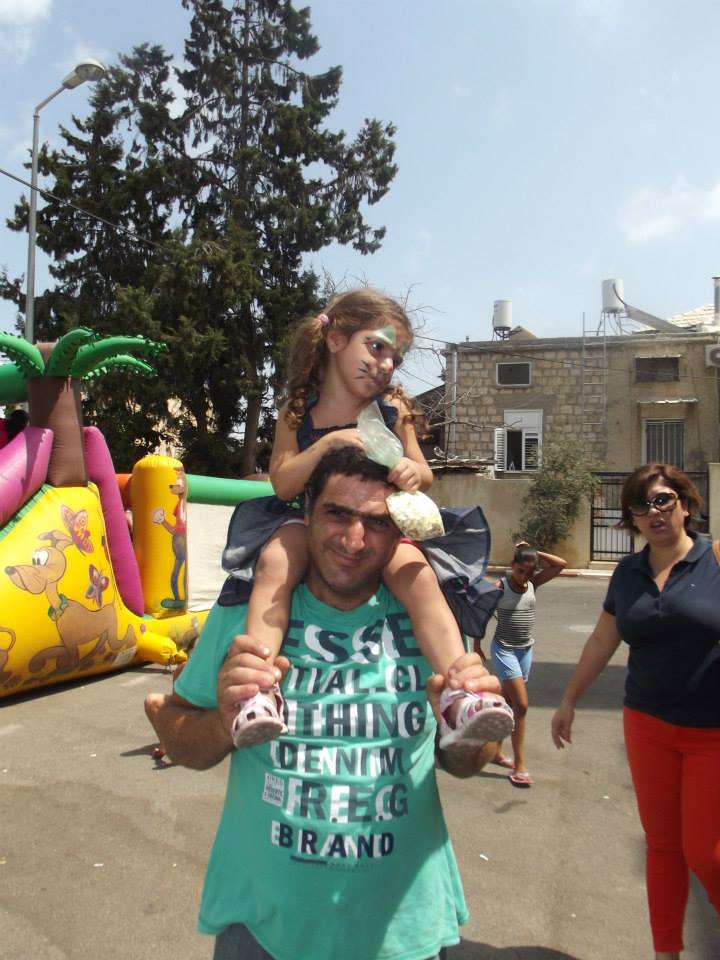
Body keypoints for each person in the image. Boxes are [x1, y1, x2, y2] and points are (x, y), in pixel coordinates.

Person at [146, 447, 507, 960]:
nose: (354, 540)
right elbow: (180, 734)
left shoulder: (432, 618)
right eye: (338, 514)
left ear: (399, 529)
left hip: (402, 930)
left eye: (377, 522)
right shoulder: (244, 613)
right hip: (264, 929)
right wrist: (224, 721)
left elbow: (467, 762)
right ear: (308, 512)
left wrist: (468, 738)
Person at [224, 288, 512, 751]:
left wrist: (411, 472)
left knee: (417, 575)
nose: (385, 364)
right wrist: (328, 444)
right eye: (376, 347)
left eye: (395, 357)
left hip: (381, 519)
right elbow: (283, 483)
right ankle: (257, 690)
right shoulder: (298, 410)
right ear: (335, 339)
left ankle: (461, 691)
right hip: (307, 517)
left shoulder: (394, 408)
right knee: (276, 561)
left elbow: (423, 472)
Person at [550, 464, 720, 960]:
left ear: (685, 503)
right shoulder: (628, 574)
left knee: (705, 852)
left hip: (712, 731)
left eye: (663, 500)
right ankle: (666, 952)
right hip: (647, 725)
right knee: (663, 846)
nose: (654, 512)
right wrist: (568, 699)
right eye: (641, 506)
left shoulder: (714, 561)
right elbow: (603, 640)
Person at [483, 541, 566, 787]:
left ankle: (495, 751)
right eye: (520, 571)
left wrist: (534, 551)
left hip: (525, 650)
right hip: (504, 650)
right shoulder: (500, 588)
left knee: (509, 704)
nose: (524, 577)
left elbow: (560, 564)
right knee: (521, 705)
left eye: (529, 572)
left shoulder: (533, 584)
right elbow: (481, 615)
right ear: (512, 565)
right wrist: (476, 646)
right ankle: (520, 764)